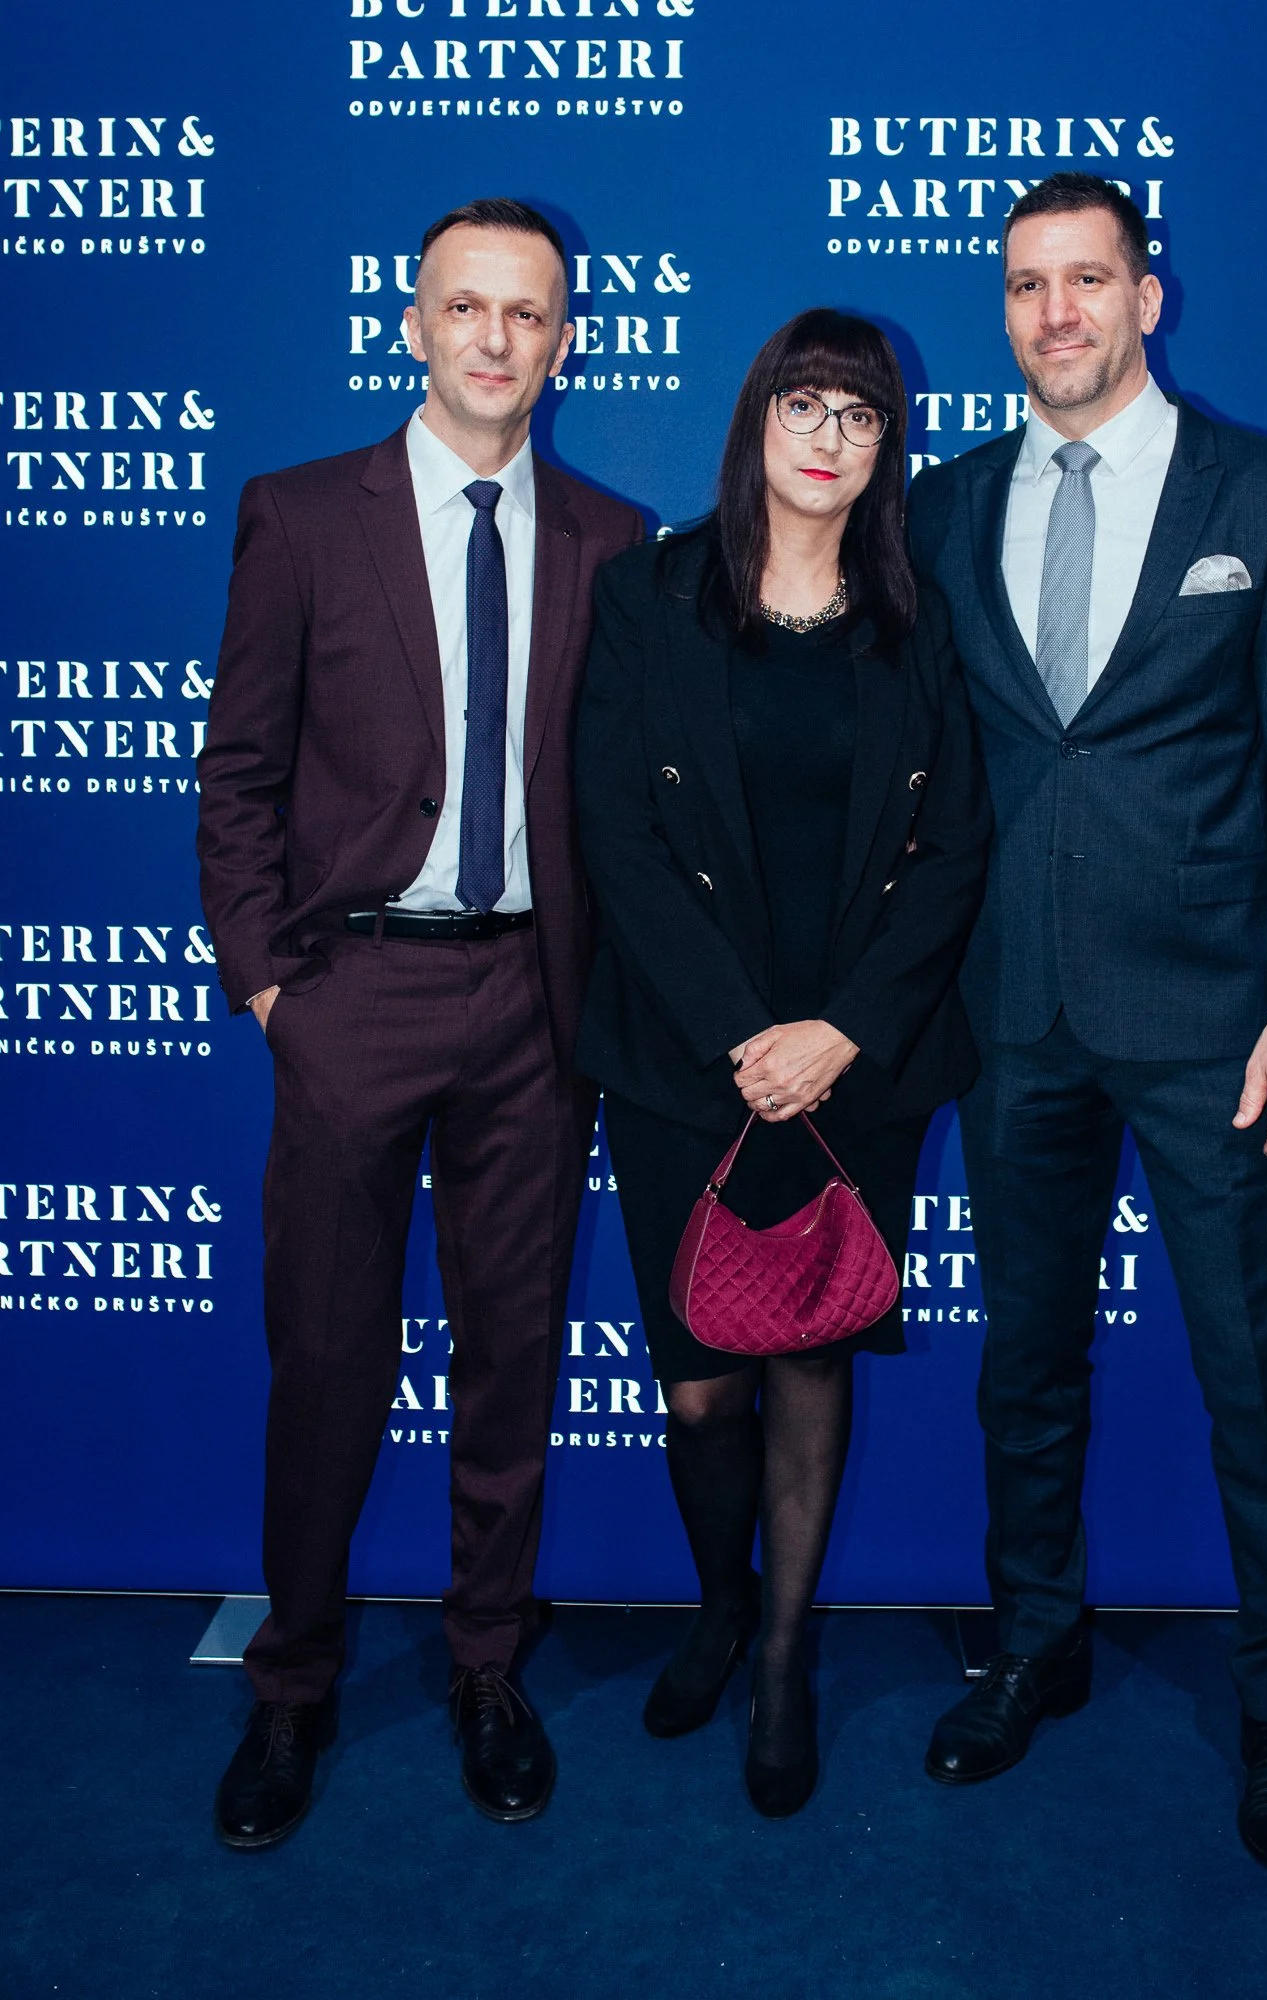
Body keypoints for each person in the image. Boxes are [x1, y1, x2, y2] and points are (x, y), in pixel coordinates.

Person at [907, 174, 1267, 1873]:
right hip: (1013, 1013)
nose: (1056, 314)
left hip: (1212, 1026)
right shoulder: (946, 506)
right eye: (1027, 285)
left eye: (1086, 280)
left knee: (1255, 1378)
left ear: (1147, 298)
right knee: (1023, 1364)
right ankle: (1035, 1642)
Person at [197, 198, 641, 1848]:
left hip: (533, 1002)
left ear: (569, 338)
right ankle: (294, 1689)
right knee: (325, 1358)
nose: (497, 340)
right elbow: (237, 774)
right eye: (467, 307)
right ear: (413, 322)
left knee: (512, 1357)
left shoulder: (614, 537)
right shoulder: (303, 516)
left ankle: (484, 1665)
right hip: (351, 996)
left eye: (529, 314)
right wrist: (270, 986)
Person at [575, 309, 990, 1818]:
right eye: (805, 405)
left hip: (854, 1066)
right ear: (757, 419)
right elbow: (611, 831)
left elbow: (955, 853)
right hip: (690, 1057)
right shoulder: (646, 598)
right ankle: (717, 1606)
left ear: (889, 448)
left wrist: (843, 1033)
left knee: (809, 1358)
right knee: (700, 1389)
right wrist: (740, 1036)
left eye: (861, 416)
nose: (828, 435)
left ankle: (785, 1661)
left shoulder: (918, 618)